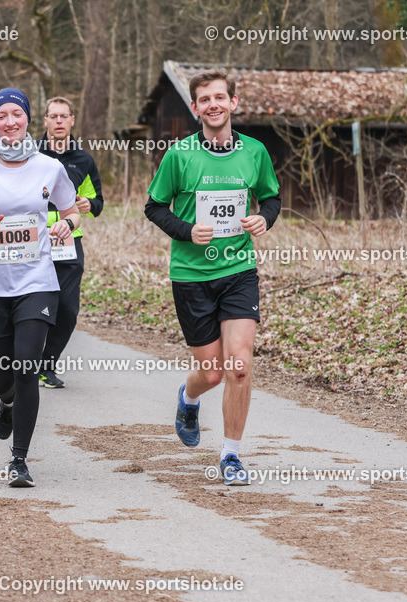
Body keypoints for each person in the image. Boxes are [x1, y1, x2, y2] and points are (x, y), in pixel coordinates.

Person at [144, 70, 281, 486]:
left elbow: (271, 197)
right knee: (213, 373)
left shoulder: (255, 152)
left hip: (238, 271)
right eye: (205, 100)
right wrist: (187, 231)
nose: (214, 105)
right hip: (191, 276)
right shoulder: (179, 156)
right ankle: (188, 399)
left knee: (239, 365)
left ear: (233, 103)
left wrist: (263, 219)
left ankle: (231, 455)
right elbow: (154, 207)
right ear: (195, 108)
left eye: (220, 97)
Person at [0, 88, 80, 487]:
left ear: (27, 119)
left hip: (36, 281)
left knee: (26, 366)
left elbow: (71, 210)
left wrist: (65, 224)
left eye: (16, 114)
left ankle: (19, 459)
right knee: (0, 378)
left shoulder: (49, 168)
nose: (9, 122)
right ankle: (5, 402)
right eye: (2, 115)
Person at [37, 96, 104, 389]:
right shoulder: (29, 155)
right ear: (45, 121)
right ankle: (21, 359)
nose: (59, 121)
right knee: (32, 304)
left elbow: (98, 201)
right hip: (32, 240)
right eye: (54, 116)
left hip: (68, 241)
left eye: (64, 116)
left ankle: (46, 365)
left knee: (67, 309)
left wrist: (90, 204)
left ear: (72, 120)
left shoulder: (83, 159)